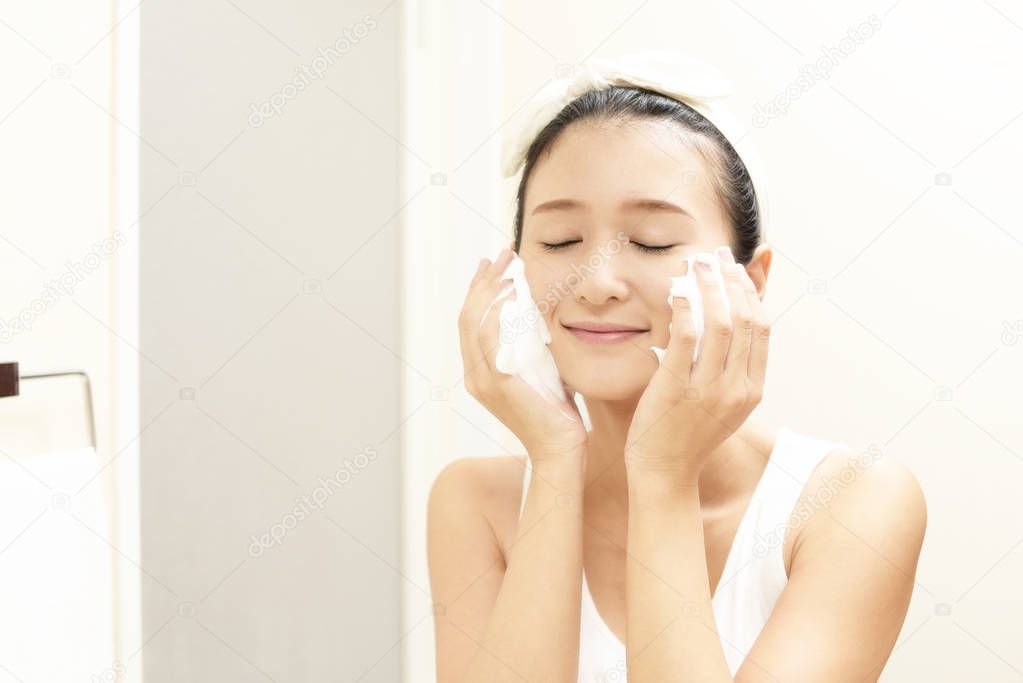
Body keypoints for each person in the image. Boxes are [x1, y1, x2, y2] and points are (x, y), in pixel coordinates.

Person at [428, 52, 926, 682]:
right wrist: (555, 461)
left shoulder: (850, 504)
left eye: (652, 242)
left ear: (749, 281)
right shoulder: (476, 503)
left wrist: (663, 476)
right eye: (559, 242)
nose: (597, 282)